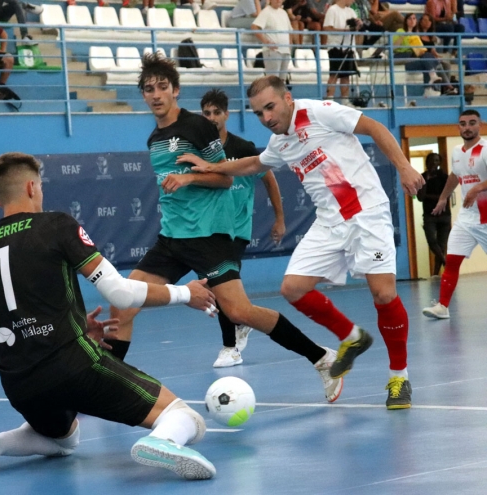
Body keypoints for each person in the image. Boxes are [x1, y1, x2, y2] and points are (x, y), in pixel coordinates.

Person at [0, 151, 219, 479]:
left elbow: (12, 312)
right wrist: (186, 293)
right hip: (73, 367)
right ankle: (162, 441)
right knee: (182, 416)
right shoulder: (57, 225)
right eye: (40, 187)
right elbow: (121, 293)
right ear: (31, 187)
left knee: (62, 441)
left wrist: (72, 322)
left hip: (18, 380)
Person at [107, 53, 344, 404]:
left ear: (175, 90)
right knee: (122, 305)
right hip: (172, 238)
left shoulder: (197, 126)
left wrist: (187, 178)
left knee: (239, 312)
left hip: (208, 237)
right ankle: (106, 385)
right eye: (148, 89)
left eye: (161, 87)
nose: (155, 94)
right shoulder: (154, 138)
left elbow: (222, 179)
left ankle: (323, 358)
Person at [190, 76, 426, 409]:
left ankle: (399, 377)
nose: (266, 117)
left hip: (366, 213)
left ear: (287, 98)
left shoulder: (320, 112)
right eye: (258, 113)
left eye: (270, 107)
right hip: (329, 222)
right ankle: (352, 337)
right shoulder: (279, 142)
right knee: (292, 289)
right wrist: (212, 165)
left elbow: (374, 127)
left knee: (384, 293)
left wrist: (403, 167)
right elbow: (256, 163)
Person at [199, 88, 285, 368]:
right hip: (208, 229)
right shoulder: (199, 149)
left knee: (220, 285)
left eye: (216, 112)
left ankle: (230, 348)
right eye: (206, 113)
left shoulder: (243, 148)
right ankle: (243, 323)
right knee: (218, 288)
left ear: (227, 114)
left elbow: (269, 180)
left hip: (236, 229)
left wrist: (280, 219)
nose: (211, 118)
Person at [423, 110, 487, 319]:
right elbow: (454, 175)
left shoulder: (485, 149)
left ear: (479, 125)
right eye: (462, 123)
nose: (467, 127)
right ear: (458, 127)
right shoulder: (457, 151)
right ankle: (442, 306)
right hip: (467, 219)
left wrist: (477, 189)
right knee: (452, 260)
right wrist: (443, 198)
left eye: (471, 123)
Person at [393, 13, 456, 97]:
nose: (412, 21)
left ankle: (428, 89)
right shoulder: (400, 31)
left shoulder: (415, 34)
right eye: (410, 19)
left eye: (414, 18)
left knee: (428, 61)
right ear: (406, 21)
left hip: (413, 57)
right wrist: (404, 35)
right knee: (429, 59)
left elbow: (420, 50)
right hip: (402, 56)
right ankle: (447, 86)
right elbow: (393, 47)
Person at [416, 152, 452, 276]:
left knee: (441, 245)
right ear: (427, 163)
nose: (434, 163)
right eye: (432, 160)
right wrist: (426, 180)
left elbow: (446, 196)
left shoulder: (444, 177)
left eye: (437, 160)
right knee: (432, 240)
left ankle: (436, 273)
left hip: (444, 215)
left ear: (439, 163)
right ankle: (445, 261)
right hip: (429, 215)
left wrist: (428, 196)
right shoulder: (422, 177)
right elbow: (420, 197)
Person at [323, 0, 362, 106]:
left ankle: (345, 100)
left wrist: (358, 25)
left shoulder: (351, 11)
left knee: (346, 76)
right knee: (334, 74)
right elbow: (327, 28)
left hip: (348, 47)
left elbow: (356, 29)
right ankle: (329, 100)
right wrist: (344, 31)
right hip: (335, 46)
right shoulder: (332, 10)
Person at [251, 0, 292, 83]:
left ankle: (279, 96)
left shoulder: (283, 13)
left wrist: (290, 45)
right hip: (273, 51)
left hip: (285, 51)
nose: (278, 0)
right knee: (273, 81)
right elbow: (254, 27)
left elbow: (290, 30)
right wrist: (266, 42)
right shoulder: (266, 11)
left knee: (282, 81)